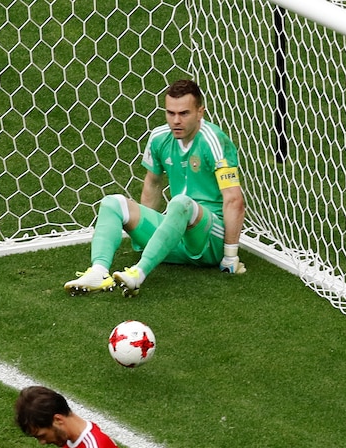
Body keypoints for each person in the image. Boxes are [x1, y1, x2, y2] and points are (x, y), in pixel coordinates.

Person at [65, 79, 246, 297]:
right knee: (112, 203)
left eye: (184, 114)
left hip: (208, 242)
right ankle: (98, 272)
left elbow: (234, 199)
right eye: (170, 113)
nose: (176, 121)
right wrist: (145, 231)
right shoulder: (159, 137)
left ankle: (138, 274)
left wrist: (230, 257)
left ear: (200, 112)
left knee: (180, 202)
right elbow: (152, 183)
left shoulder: (214, 140)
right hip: (175, 235)